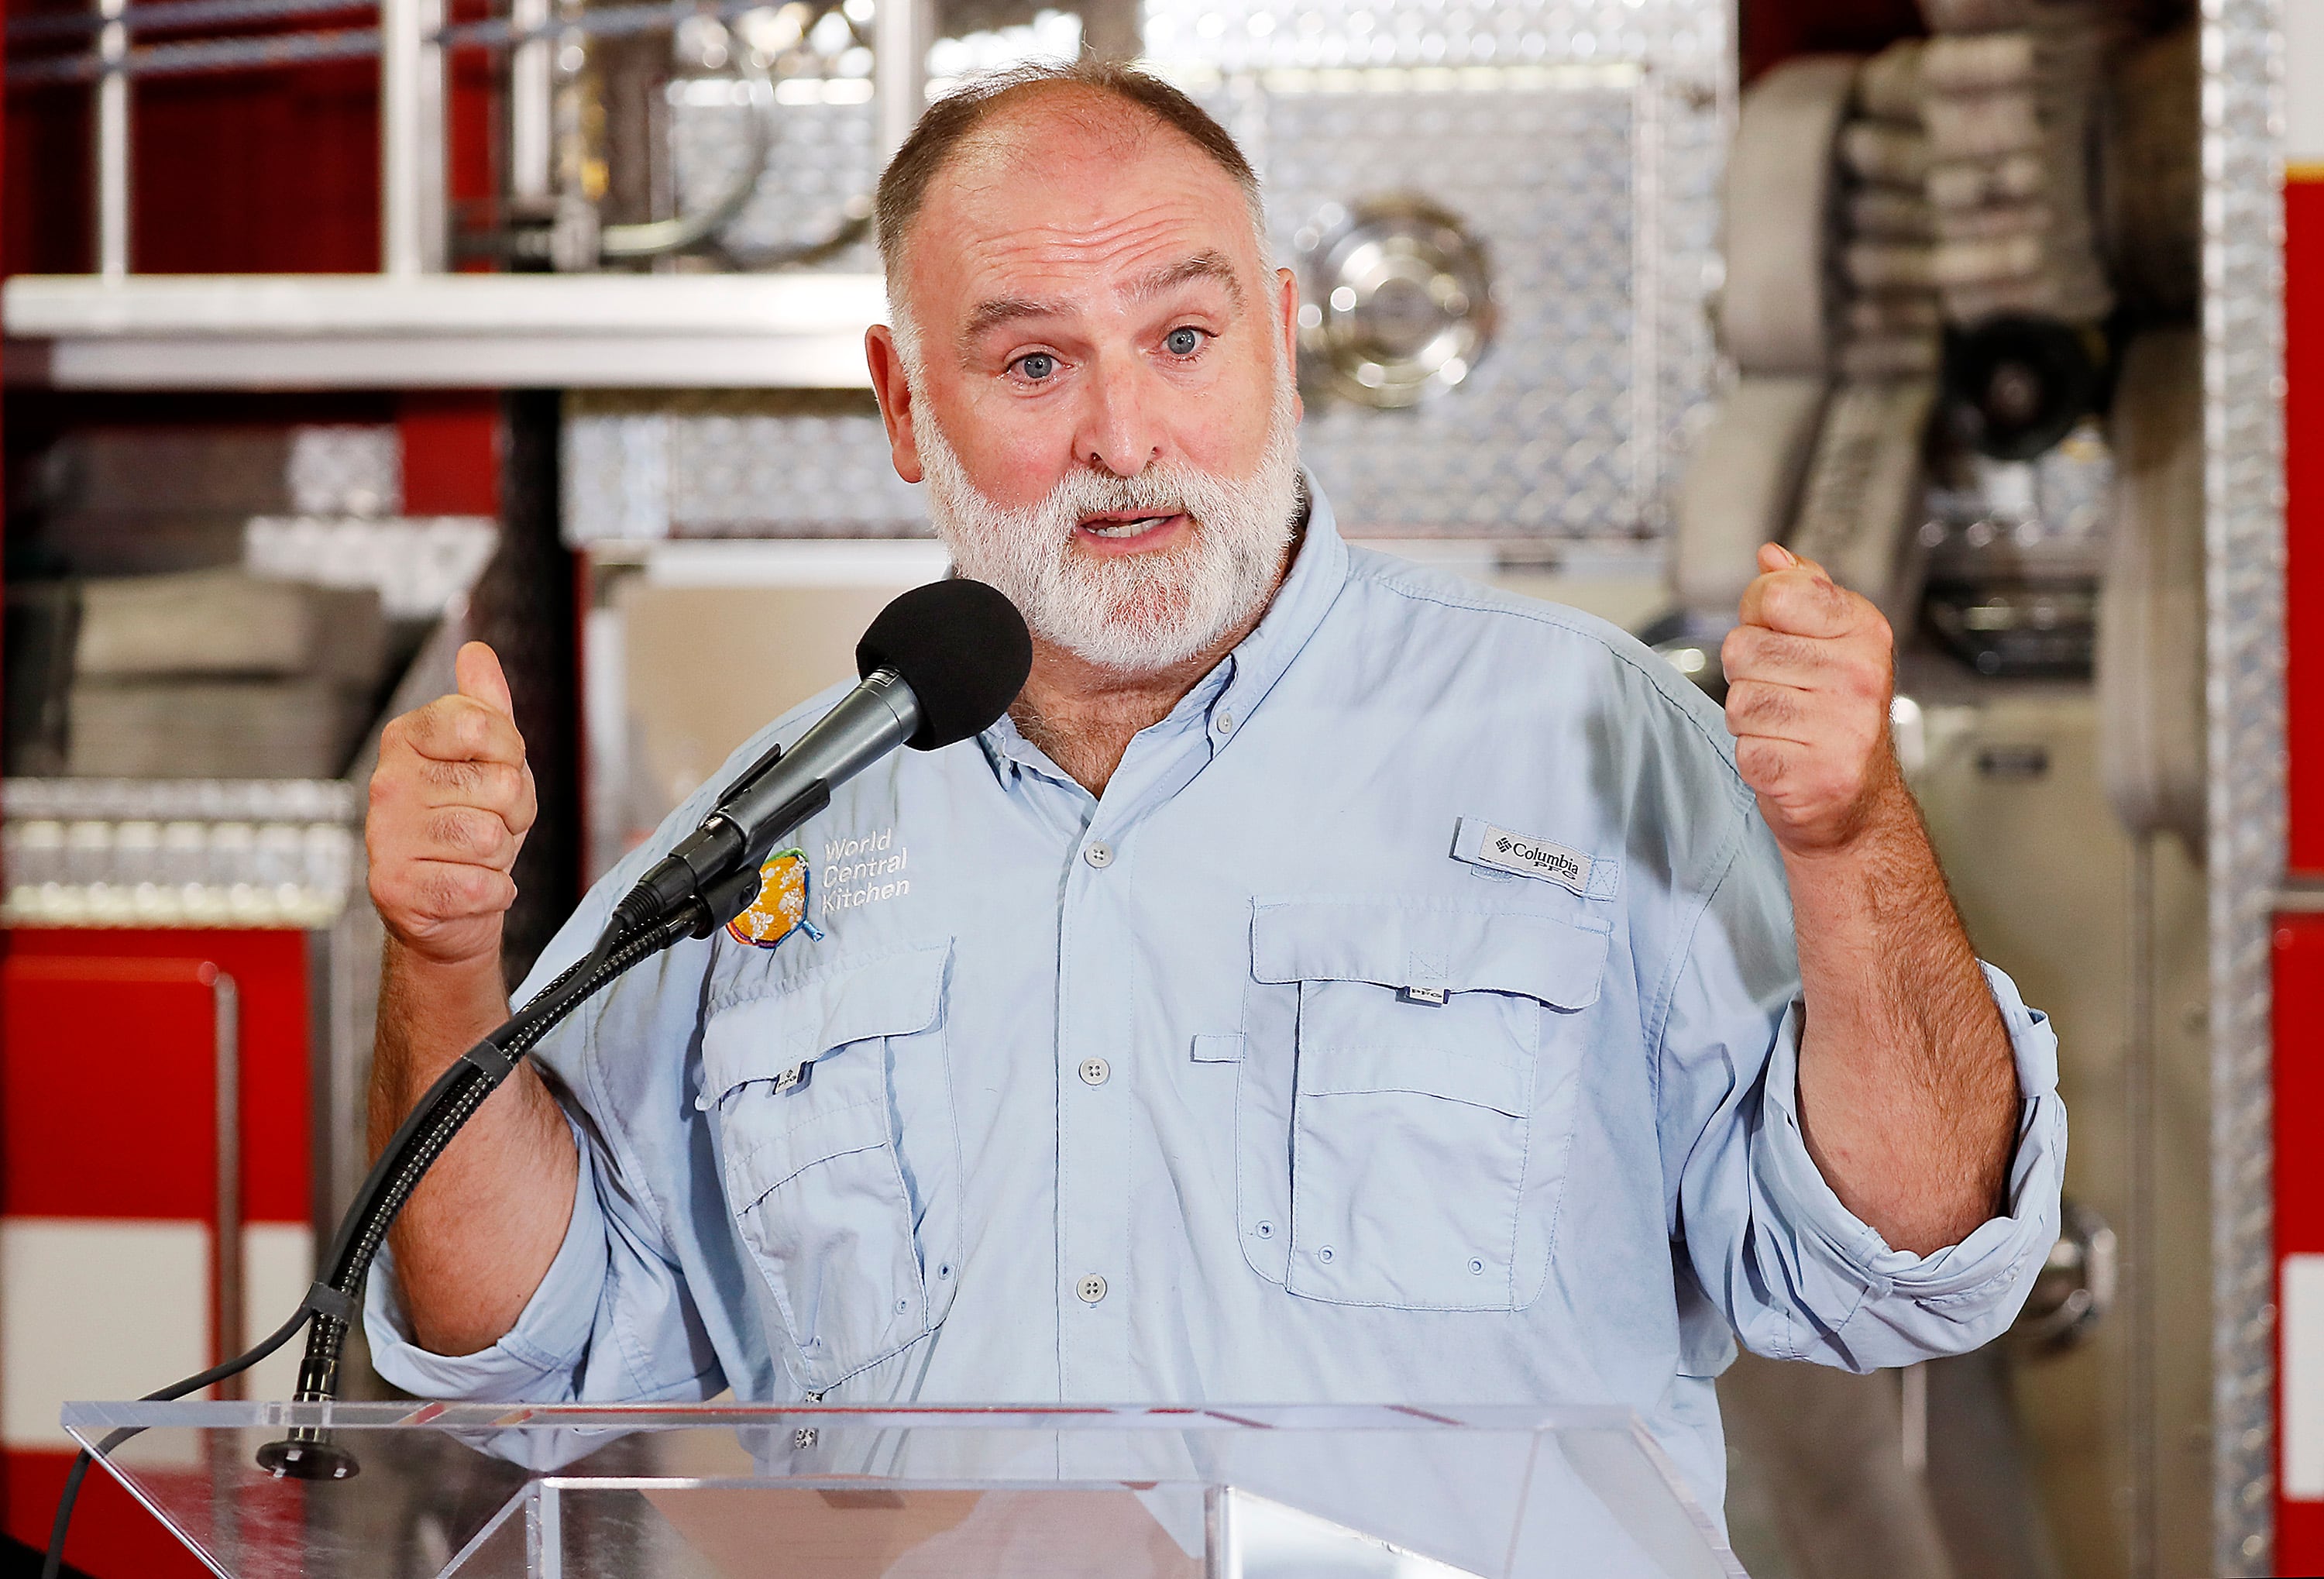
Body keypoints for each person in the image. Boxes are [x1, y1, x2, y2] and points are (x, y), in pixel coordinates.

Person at [362, 60, 2064, 1523]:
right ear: (903, 403)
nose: (1125, 431)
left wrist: (1852, 842)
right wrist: (444, 956)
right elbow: (527, 1352)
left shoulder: (1586, 738)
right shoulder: (769, 826)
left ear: (1283, 339)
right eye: (1034, 364)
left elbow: (1913, 1259)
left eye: (1182, 335)